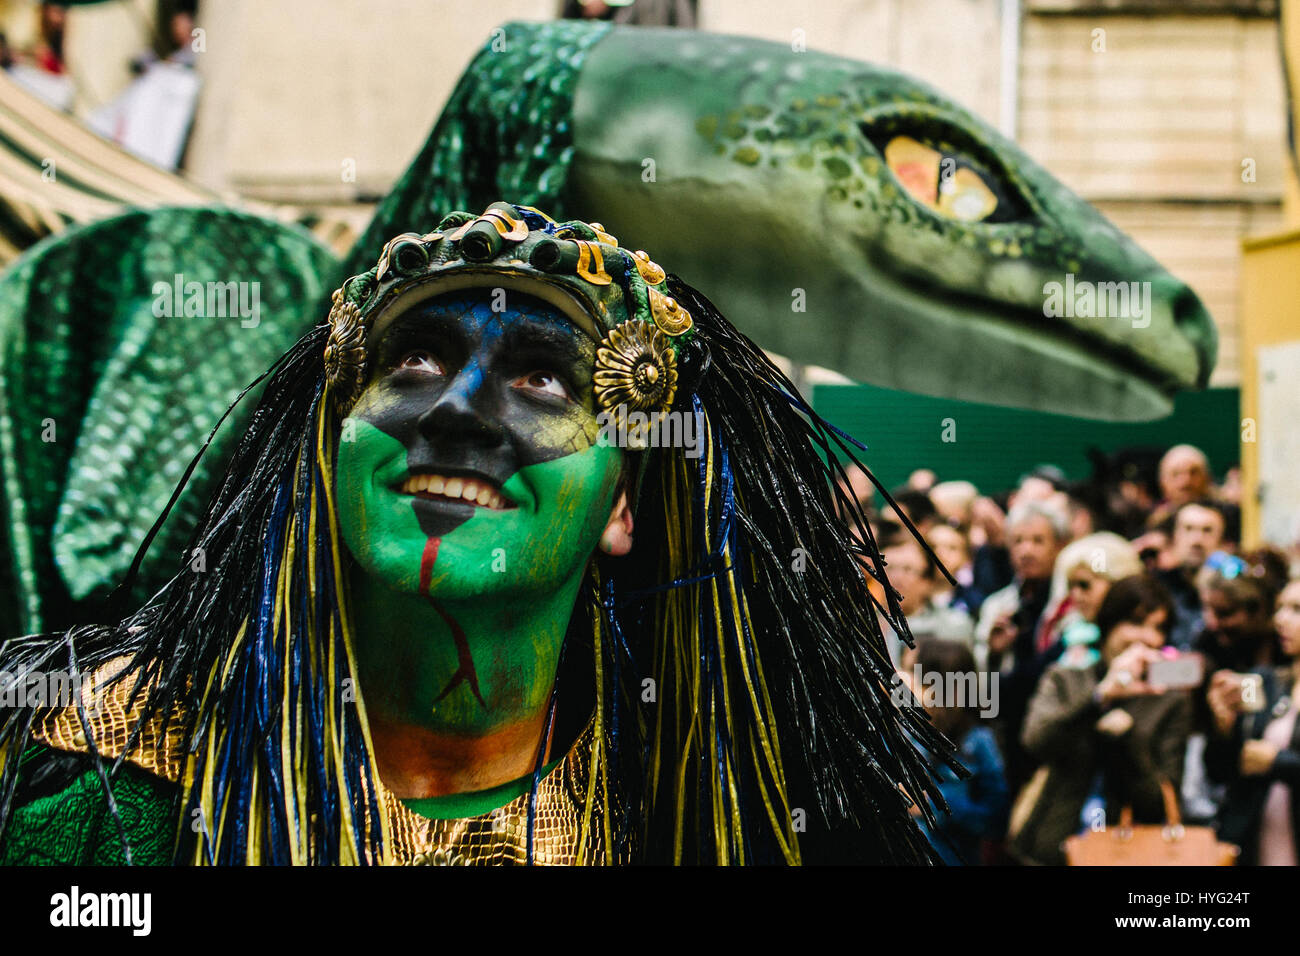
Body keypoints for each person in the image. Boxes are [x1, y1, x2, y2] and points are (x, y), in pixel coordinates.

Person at [0, 202, 952, 866]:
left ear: (623, 508)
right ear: (332, 453)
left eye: (542, 378)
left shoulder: (724, 824)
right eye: (415, 360)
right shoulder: (116, 793)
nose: (456, 413)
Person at [1009, 575, 1192, 865]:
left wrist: (1128, 740)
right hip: (1052, 847)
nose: (1148, 637)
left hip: (1127, 854)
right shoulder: (1066, 678)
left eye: (1158, 628)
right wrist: (1099, 698)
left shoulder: (1170, 701)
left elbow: (1160, 802)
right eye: (1136, 623)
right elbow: (1036, 742)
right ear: (1108, 624)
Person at [1204, 577, 1300, 865]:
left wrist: (1277, 762)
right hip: (1254, 845)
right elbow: (1220, 772)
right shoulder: (1266, 681)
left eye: (1296, 609)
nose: (1281, 618)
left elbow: (1268, 760)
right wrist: (1222, 727)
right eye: (1280, 607)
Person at [975, 499, 1069, 790]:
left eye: (1038, 541)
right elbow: (980, 685)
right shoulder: (997, 605)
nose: (1026, 551)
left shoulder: (1070, 604)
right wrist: (993, 653)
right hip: (1009, 733)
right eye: (1018, 541)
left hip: (1057, 731)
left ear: (1060, 545)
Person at [902, 638, 1009, 865]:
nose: (904, 681)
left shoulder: (978, 742)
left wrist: (935, 804)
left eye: (913, 674)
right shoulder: (905, 731)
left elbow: (996, 818)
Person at [1037, 532, 1143, 665]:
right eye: (1071, 586)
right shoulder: (1075, 634)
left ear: (1116, 582)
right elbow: (1026, 678)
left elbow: (1175, 672)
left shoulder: (1149, 621)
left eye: (1084, 585)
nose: (1075, 595)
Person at [877, 527, 974, 666]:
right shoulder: (863, 622)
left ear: (927, 582)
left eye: (907, 569)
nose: (896, 578)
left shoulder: (954, 626)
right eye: (889, 569)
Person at [1157, 500, 1230, 650]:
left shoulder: (1230, 592)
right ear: (1174, 537)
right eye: (1188, 529)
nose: (1197, 540)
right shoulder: (1158, 586)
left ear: (1222, 542)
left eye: (1207, 530)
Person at [1147, 444, 1213, 530]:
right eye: (1176, 474)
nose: (1185, 482)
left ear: (1207, 478)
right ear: (1162, 482)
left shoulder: (1225, 517)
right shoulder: (1156, 522)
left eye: (1193, 472)